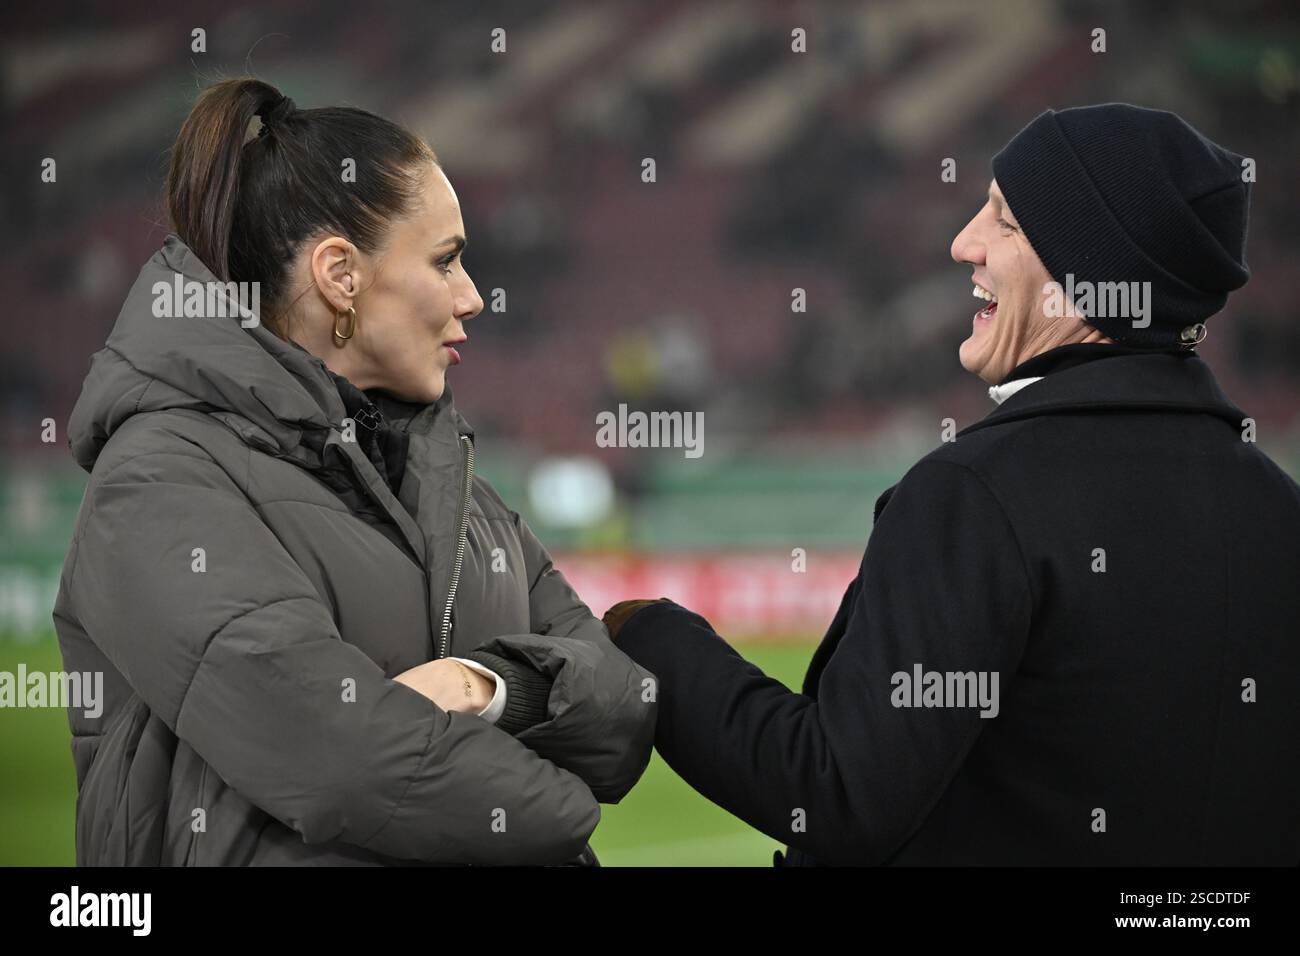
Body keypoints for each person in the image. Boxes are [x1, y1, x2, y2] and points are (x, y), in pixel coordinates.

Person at [603, 104, 1300, 865]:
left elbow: (838, 796)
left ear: (1085, 268)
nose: (963, 242)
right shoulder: (1275, 504)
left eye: (1004, 219)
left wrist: (650, 638)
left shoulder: (976, 497)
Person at [52, 78, 655, 866]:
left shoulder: (449, 475)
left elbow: (622, 707)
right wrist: (564, 811)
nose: (473, 297)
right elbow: (340, 760)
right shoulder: (157, 483)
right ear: (340, 273)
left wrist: (486, 684)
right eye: (446, 262)